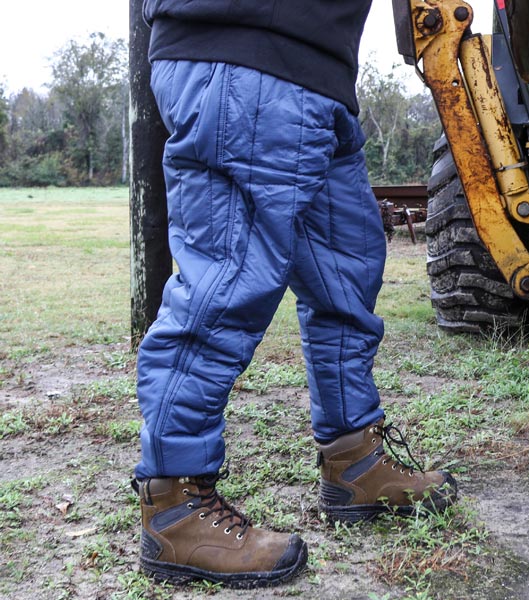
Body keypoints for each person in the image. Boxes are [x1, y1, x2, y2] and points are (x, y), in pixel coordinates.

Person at [131, 0, 457, 588]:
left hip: (320, 70)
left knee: (346, 280)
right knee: (225, 285)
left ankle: (353, 459)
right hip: (244, 50)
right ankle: (174, 506)